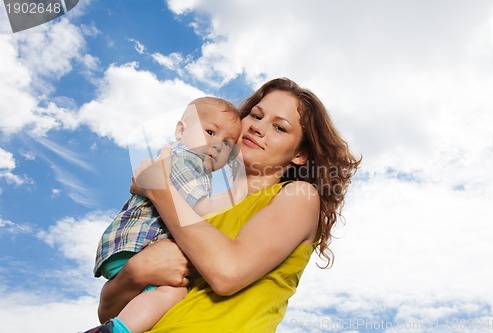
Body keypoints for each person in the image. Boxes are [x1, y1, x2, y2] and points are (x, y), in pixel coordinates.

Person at [96, 78, 361, 333]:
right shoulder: (196, 205)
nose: (258, 127)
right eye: (256, 116)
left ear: (300, 154)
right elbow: (109, 313)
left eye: (279, 127)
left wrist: (159, 190)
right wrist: (136, 272)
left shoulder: (298, 196)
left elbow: (227, 273)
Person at [83, 97, 242, 333]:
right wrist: (239, 193)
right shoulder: (185, 161)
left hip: (136, 248)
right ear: (181, 130)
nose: (218, 145)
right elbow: (200, 210)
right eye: (210, 132)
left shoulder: (190, 165)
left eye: (228, 144)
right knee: (172, 292)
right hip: (138, 245)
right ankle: (114, 331)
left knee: (160, 302)